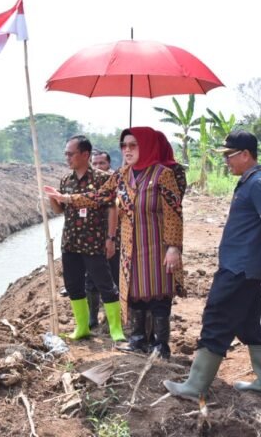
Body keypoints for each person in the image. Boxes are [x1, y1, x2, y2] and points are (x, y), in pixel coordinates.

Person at [163, 130, 261, 401]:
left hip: (239, 270)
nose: (226, 162)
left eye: (230, 156)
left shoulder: (259, 184)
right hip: (242, 266)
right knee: (248, 325)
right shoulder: (249, 181)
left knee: (216, 319)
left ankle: (195, 386)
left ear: (245, 154)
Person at [46, 127, 184, 358]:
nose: (127, 150)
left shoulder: (163, 174)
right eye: (124, 146)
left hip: (157, 244)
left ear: (147, 146)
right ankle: (138, 339)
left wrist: (173, 246)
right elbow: (99, 196)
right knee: (135, 292)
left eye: (133, 145)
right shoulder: (121, 175)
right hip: (131, 245)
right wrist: (67, 198)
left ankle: (161, 346)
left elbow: (173, 213)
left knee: (159, 293)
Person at [47, 135, 124, 342]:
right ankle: (82, 327)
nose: (67, 158)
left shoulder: (102, 179)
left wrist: (110, 238)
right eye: (66, 154)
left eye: (71, 154)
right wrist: (53, 198)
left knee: (105, 284)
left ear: (85, 154)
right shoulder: (66, 180)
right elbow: (59, 210)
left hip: (95, 241)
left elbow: (112, 209)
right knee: (73, 285)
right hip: (71, 241)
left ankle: (116, 329)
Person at [86, 149, 118, 328]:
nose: (98, 167)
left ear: (109, 165)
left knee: (113, 276)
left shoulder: (119, 183)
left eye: (102, 164)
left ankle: (111, 315)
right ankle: (92, 316)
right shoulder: (89, 185)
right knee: (90, 278)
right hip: (92, 240)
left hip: (115, 238)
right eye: (95, 164)